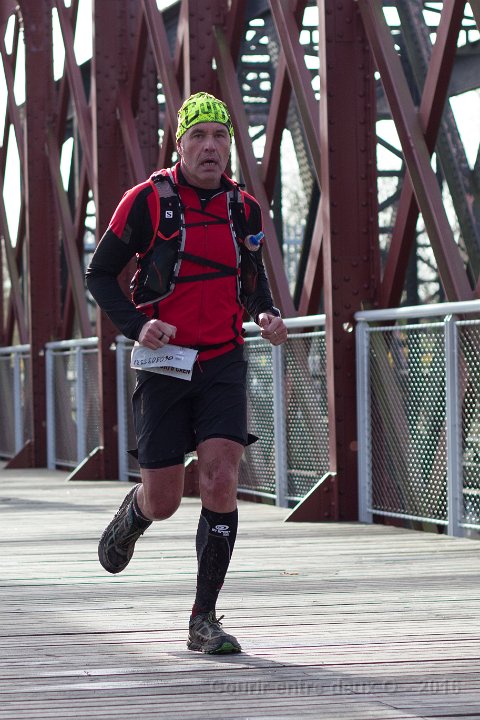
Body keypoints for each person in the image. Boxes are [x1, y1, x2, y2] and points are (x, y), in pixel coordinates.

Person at [86, 91, 288, 655]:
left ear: (230, 147)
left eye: (220, 136)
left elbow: (253, 284)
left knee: (221, 478)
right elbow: (99, 274)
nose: (210, 146)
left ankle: (204, 619)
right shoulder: (146, 201)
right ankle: (136, 513)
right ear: (180, 145)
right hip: (164, 362)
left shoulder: (244, 209)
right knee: (166, 499)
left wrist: (267, 314)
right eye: (198, 136)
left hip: (222, 358)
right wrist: (137, 325)